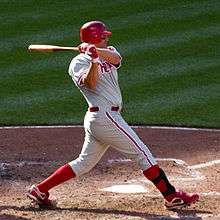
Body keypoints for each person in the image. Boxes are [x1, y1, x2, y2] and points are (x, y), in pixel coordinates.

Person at [27, 21, 199, 209]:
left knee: (84, 163)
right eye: (103, 36)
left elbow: (116, 58)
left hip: (106, 118)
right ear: (94, 37)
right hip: (104, 118)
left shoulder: (108, 52)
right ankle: (171, 196)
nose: (107, 37)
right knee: (143, 155)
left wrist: (96, 52)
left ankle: (40, 189)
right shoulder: (78, 62)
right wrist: (92, 61)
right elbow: (90, 83)